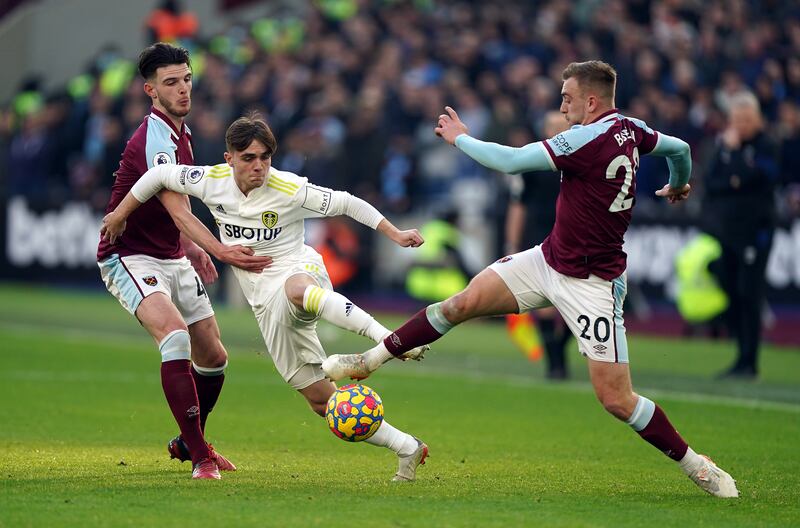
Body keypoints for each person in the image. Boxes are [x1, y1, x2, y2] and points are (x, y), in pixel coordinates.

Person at [323, 60, 739, 498]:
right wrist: (679, 185)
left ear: (592, 101)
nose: (561, 105)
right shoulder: (634, 129)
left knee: (617, 400)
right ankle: (369, 361)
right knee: (460, 304)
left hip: (593, 283)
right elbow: (682, 151)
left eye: (567, 97)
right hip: (548, 259)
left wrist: (459, 138)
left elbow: (512, 161)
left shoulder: (585, 137)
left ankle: (698, 466)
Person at [101, 113, 431, 482]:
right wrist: (119, 213)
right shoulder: (210, 180)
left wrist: (396, 233)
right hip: (264, 303)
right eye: (248, 158)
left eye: (265, 158)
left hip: (295, 265)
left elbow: (348, 203)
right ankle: (407, 447)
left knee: (299, 291)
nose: (259, 166)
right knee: (326, 403)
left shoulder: (289, 189)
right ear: (229, 160)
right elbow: (157, 176)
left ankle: (385, 341)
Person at [96, 43, 271, 479]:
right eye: (171, 83)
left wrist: (190, 248)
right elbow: (177, 210)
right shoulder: (155, 138)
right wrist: (219, 250)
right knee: (174, 336)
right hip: (130, 255)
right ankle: (200, 455)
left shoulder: (183, 133)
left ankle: (186, 439)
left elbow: (176, 211)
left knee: (213, 356)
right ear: (151, 91)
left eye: (187, 79)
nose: (183, 90)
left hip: (172, 254)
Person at [703, 92, 778, 380]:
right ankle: (741, 355)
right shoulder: (723, 146)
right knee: (729, 287)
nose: (742, 125)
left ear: (757, 119)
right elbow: (713, 183)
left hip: (756, 232)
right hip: (729, 232)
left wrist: (735, 162)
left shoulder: (765, 144)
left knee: (750, 292)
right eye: (737, 120)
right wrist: (736, 177)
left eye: (747, 119)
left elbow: (761, 178)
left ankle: (749, 361)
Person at [503, 113, 572, 379]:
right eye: (550, 127)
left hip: (571, 236)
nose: (555, 132)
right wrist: (512, 242)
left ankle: (558, 347)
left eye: (560, 127)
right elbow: (517, 205)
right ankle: (554, 361)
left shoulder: (580, 160)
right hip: (538, 235)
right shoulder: (532, 162)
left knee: (570, 300)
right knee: (544, 299)